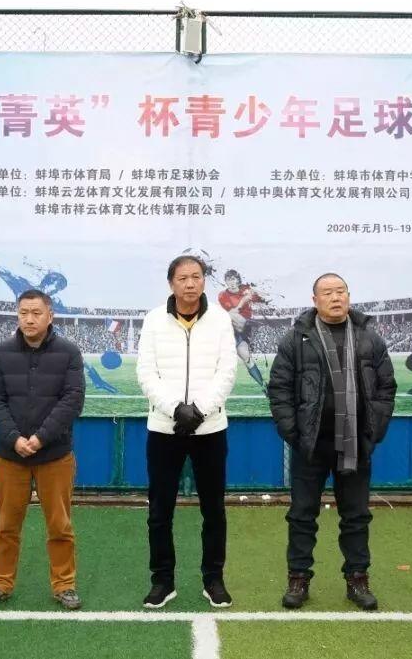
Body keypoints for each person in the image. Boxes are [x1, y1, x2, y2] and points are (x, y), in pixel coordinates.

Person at [267, 273, 396, 610]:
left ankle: (357, 580)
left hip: (355, 444)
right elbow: (279, 389)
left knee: (356, 517)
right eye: (327, 292)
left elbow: (386, 388)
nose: (335, 297)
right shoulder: (296, 338)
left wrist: (373, 431)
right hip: (310, 445)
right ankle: (298, 579)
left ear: (349, 296)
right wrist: (294, 434)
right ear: (315, 300)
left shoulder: (369, 337)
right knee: (301, 516)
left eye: (341, 291)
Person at [136, 255, 238, 609]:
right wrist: (175, 409)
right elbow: (146, 373)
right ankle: (162, 581)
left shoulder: (221, 319)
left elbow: (227, 372)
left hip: (210, 429)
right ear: (171, 283)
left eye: (196, 276)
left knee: (214, 510)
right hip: (165, 429)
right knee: (160, 511)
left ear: (204, 281)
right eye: (183, 278)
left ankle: (214, 579)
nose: (190, 283)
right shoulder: (153, 320)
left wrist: (198, 411)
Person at [0, 289, 86, 611]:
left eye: (36, 313)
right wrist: (14, 438)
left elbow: (72, 401)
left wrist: (40, 438)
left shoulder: (69, 353)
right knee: (6, 526)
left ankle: (64, 585)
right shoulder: (2, 353)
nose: (29, 319)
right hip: (10, 456)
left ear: (50, 315)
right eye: (23, 312)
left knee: (60, 526)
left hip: (55, 455)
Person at [218, 269, 267, 391]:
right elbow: (233, 312)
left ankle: (264, 386)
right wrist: (244, 299)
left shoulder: (245, 289)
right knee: (245, 358)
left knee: (247, 358)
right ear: (225, 282)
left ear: (238, 280)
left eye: (233, 279)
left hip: (242, 328)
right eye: (228, 280)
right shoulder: (223, 295)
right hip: (231, 329)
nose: (231, 282)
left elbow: (265, 298)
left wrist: (255, 290)